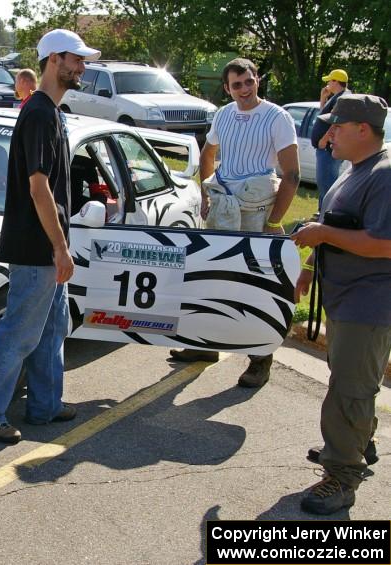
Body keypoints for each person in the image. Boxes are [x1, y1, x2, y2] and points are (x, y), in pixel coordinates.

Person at [0, 29, 100, 444]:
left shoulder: (51, 112)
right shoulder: (40, 113)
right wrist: (60, 248)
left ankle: (45, 405)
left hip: (47, 246)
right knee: (21, 332)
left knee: (52, 327)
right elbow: (38, 187)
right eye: (77, 59)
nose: (82, 67)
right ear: (54, 59)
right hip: (36, 247)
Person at [168, 58, 300, 388]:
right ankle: (205, 345)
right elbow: (207, 153)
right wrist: (207, 193)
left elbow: (292, 175)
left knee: (254, 285)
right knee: (212, 276)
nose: (244, 89)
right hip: (224, 207)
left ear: (257, 81)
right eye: (236, 84)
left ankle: (260, 358)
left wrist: (274, 221)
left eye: (249, 81)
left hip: (257, 209)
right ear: (227, 88)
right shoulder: (223, 115)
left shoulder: (277, 117)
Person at [291, 93, 391, 514]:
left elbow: (384, 243)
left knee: (350, 390)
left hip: (368, 305)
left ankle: (342, 477)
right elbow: (333, 224)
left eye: (337, 126)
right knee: (349, 382)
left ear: (363, 130)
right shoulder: (357, 170)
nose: (328, 133)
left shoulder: (385, 175)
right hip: (346, 296)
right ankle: (355, 444)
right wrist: (312, 266)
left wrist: (323, 238)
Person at [311, 68, 351, 207]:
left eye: (329, 81)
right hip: (326, 149)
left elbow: (336, 122)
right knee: (323, 185)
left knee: (326, 185)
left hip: (328, 149)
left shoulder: (342, 98)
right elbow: (323, 117)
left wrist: (324, 140)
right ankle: (321, 213)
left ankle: (327, 216)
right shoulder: (337, 97)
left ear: (336, 81)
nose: (327, 84)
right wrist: (323, 98)